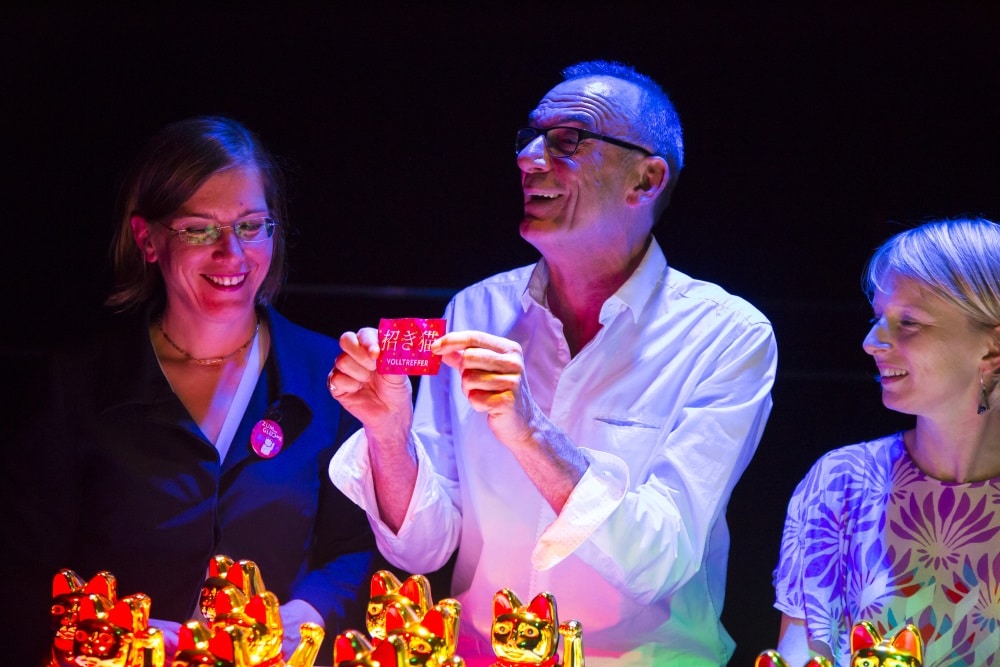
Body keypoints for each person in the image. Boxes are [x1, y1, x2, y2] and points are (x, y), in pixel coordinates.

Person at [327, 60, 777, 666]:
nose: (526, 159)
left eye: (567, 141)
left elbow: (660, 561)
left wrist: (533, 433)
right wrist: (388, 434)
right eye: (529, 138)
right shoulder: (477, 309)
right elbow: (423, 549)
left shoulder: (727, 336)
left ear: (645, 180)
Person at [4, 116, 377, 663]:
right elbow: (22, 571)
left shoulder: (331, 376)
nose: (232, 253)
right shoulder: (75, 388)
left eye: (251, 226)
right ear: (147, 240)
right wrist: (114, 632)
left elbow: (356, 548)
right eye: (199, 230)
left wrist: (311, 611)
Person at [772, 217, 1000, 666]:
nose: (870, 342)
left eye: (908, 322)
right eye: (878, 318)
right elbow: (801, 656)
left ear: (992, 348)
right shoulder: (839, 482)